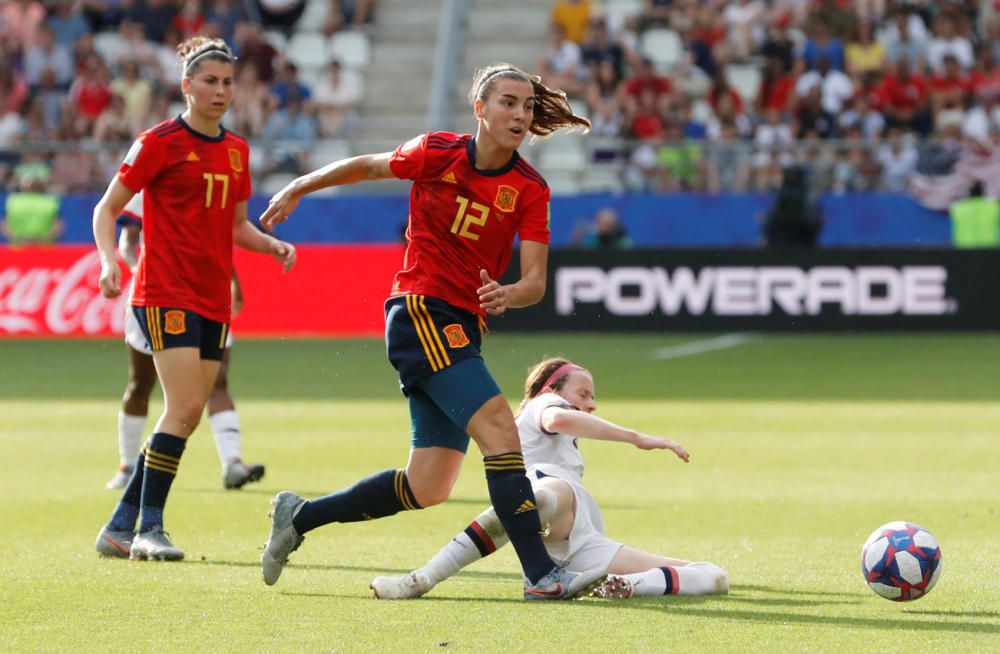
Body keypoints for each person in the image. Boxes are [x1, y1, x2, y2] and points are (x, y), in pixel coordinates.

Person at [257, 63, 603, 600]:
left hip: (463, 323)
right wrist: (302, 184)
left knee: (429, 485)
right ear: (480, 109)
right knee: (500, 429)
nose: (520, 114)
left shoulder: (530, 189)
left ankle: (300, 516)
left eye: (528, 106)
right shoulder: (437, 152)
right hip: (421, 309)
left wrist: (510, 293)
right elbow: (369, 167)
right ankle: (542, 575)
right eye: (508, 103)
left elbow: (535, 281)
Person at [93, 36, 296, 562]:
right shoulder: (158, 141)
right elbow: (106, 208)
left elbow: (235, 227)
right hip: (164, 291)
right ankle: (148, 529)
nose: (220, 91)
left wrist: (270, 244)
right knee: (182, 407)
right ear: (186, 85)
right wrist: (110, 261)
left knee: (183, 416)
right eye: (209, 81)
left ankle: (119, 526)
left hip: (212, 299)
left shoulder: (237, 151)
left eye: (228, 82)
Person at [370, 358, 729, 600]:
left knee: (714, 576)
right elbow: (557, 420)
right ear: (552, 390)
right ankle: (422, 579)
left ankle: (626, 585)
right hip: (550, 501)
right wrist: (637, 438)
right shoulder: (543, 406)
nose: (591, 404)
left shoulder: (557, 431)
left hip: (583, 538)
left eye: (592, 397)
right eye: (584, 394)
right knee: (539, 496)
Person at [105, 190, 268, 492]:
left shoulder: (212, 183)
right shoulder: (150, 185)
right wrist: (138, 268)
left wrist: (233, 279)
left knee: (218, 381)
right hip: (156, 295)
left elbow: (217, 242)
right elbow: (127, 241)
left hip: (206, 294)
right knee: (141, 382)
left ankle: (232, 462)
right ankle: (128, 467)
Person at [1, 174, 63, 245]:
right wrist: (41, 239)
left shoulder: (12, 201)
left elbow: (5, 226)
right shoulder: (50, 202)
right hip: (44, 249)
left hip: (18, 248)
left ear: (23, 187)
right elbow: (58, 227)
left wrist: (21, 238)